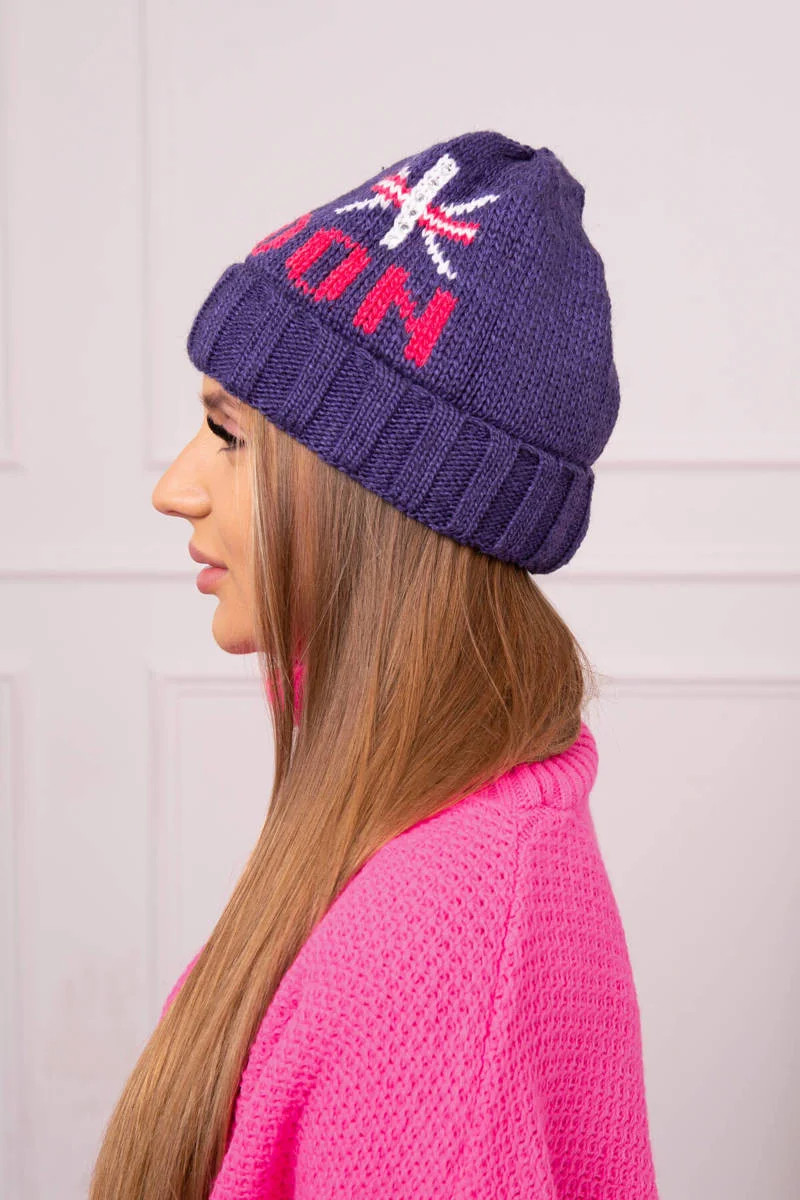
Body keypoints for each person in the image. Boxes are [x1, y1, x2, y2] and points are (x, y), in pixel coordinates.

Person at [89, 129, 661, 1199]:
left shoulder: (439, 946)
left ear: (375, 497)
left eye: (229, 435)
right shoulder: (431, 835)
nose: (175, 487)